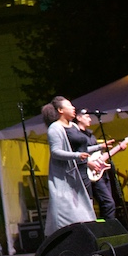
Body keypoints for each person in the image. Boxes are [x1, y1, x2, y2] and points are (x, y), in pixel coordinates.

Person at [43, 97, 108, 234]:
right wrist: (77, 156)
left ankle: (89, 236)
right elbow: (55, 152)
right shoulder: (55, 128)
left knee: (87, 205)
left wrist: (99, 147)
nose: (73, 108)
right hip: (70, 175)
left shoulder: (73, 126)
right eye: (69, 106)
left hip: (83, 172)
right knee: (74, 210)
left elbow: (81, 150)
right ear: (60, 110)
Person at [69, 110, 119, 220]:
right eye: (87, 116)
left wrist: (118, 148)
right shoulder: (74, 135)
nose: (90, 119)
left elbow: (97, 155)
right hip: (85, 173)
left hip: (98, 173)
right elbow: (74, 153)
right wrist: (88, 162)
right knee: (105, 203)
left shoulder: (91, 136)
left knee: (109, 203)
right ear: (79, 117)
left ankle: (108, 229)